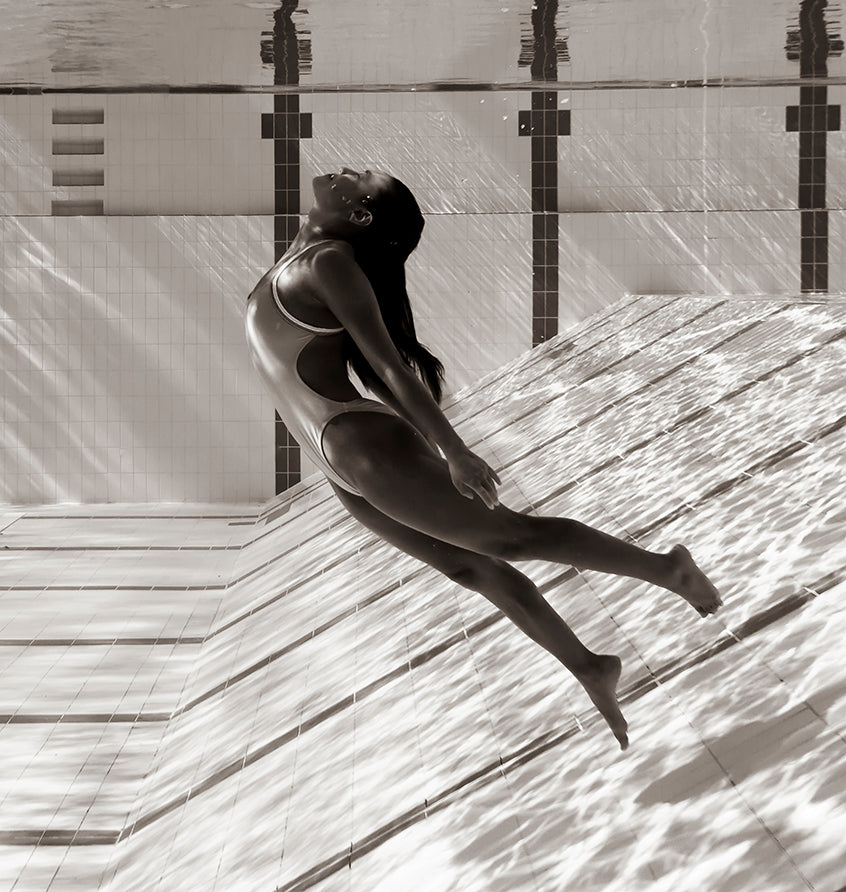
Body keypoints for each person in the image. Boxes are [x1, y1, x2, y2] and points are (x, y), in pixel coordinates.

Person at [245, 167, 723, 750]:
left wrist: (454, 451)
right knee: (469, 568)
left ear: (360, 214)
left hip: (356, 442)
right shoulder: (303, 259)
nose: (346, 172)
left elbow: (392, 367)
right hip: (335, 461)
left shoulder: (328, 263)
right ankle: (590, 667)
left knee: (509, 538)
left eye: (361, 178)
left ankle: (667, 569)